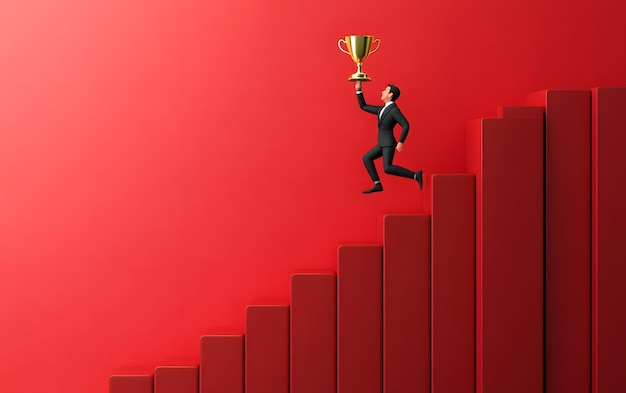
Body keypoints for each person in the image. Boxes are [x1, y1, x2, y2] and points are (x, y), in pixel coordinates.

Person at [355, 80, 423, 194]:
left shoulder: (394, 110)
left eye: (385, 90)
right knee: (366, 158)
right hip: (382, 143)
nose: (382, 92)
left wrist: (401, 141)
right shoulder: (382, 109)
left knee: (388, 168)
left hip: (389, 143)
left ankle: (415, 175)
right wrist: (359, 90)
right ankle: (377, 184)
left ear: (390, 95)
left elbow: (406, 125)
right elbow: (364, 106)